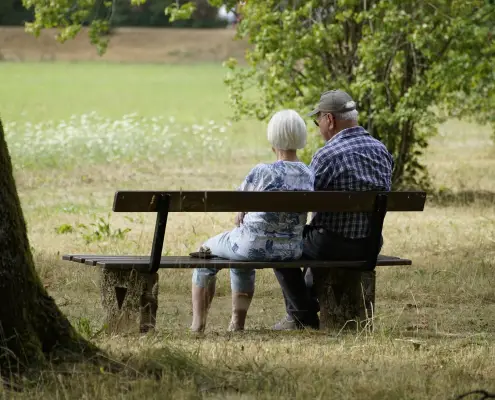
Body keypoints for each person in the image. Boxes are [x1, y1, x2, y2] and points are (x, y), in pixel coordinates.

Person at [272, 89, 394, 330]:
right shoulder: (382, 151)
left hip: (331, 245)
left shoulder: (326, 155)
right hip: (369, 244)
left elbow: (303, 201)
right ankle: (306, 306)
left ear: (330, 119)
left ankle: (301, 315)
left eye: (318, 121)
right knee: (313, 237)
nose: (318, 128)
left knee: (279, 244)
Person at [190, 109, 315, 332]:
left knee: (205, 251)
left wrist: (244, 212)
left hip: (251, 246)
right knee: (239, 255)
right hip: (290, 250)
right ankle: (236, 324)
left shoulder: (262, 172)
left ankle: (197, 325)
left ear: (273, 138)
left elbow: (238, 207)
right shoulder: (308, 173)